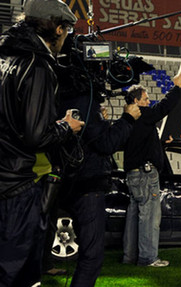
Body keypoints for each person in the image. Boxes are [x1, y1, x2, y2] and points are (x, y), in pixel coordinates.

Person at [0, 0, 84, 285]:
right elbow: (37, 136)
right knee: (19, 274)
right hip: (16, 186)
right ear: (58, 29)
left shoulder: (5, 53)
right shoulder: (37, 65)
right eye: (67, 31)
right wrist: (65, 127)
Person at [57, 91, 140, 286]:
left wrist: (100, 123)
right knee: (91, 255)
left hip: (68, 183)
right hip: (87, 186)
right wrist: (127, 118)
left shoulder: (63, 97)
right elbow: (106, 144)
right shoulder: (84, 99)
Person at [122, 71, 181, 267]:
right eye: (146, 99)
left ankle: (129, 257)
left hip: (132, 174)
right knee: (149, 217)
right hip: (145, 175)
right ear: (136, 101)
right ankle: (148, 258)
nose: (148, 102)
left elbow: (141, 143)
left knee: (133, 217)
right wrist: (177, 87)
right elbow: (163, 108)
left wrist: (161, 143)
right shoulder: (142, 115)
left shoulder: (128, 120)